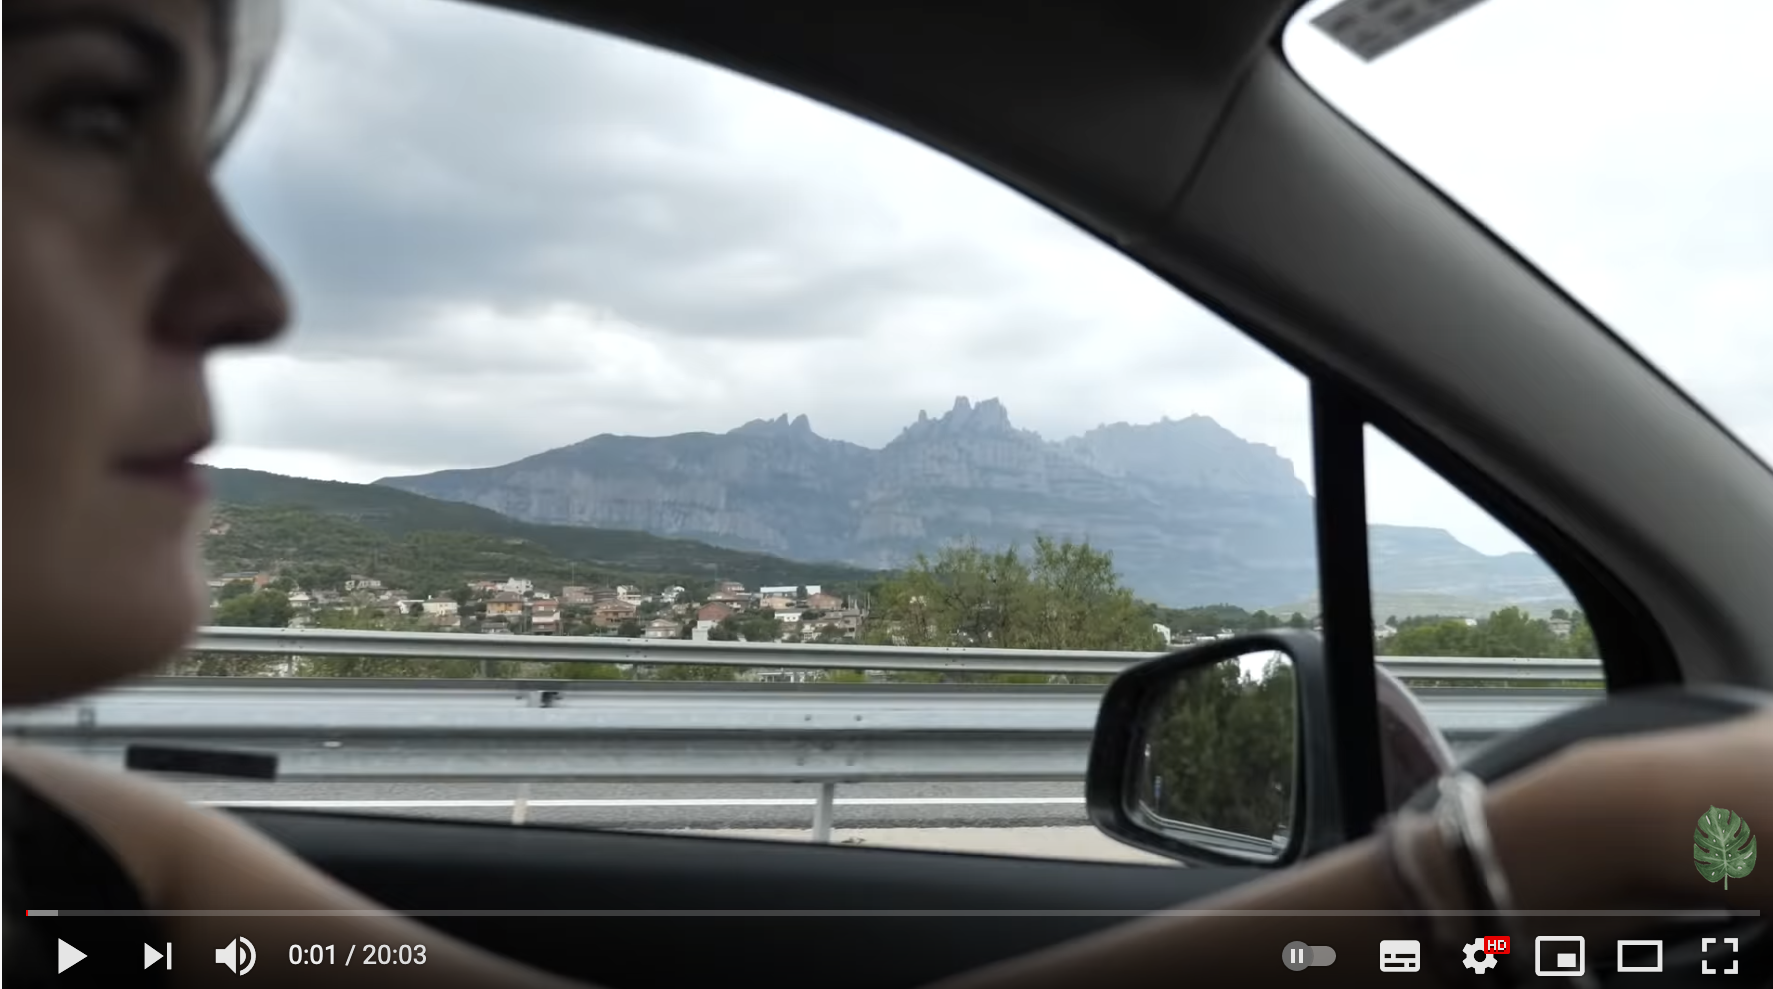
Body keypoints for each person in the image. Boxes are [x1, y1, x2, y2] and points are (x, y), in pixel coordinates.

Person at [3, 1, 1769, 987]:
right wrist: (1510, 855)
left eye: (203, 147)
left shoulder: (101, 858)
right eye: (93, 117)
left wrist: (1559, 844)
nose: (253, 291)